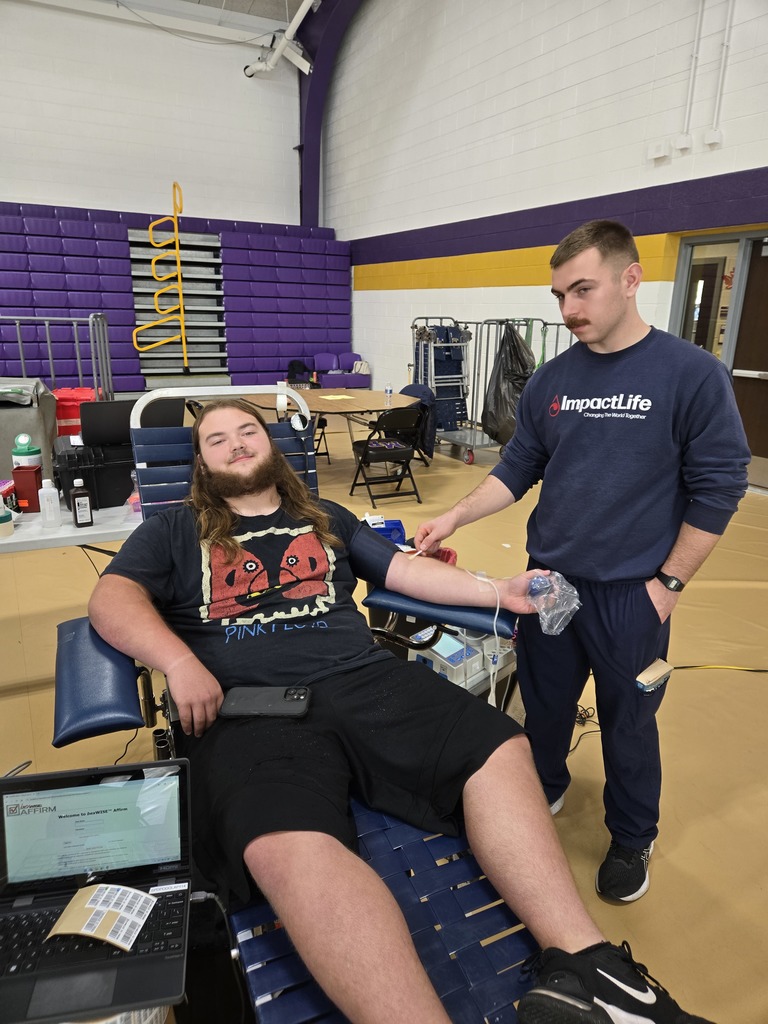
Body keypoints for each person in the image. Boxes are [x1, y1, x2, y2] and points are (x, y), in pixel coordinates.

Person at [88, 398, 715, 1024]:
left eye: (247, 430)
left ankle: (585, 966)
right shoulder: (173, 530)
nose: (236, 443)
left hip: (365, 679)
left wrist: (498, 590)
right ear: (201, 463)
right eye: (217, 439)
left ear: (271, 444)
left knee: (500, 746)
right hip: (251, 707)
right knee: (285, 843)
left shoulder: (324, 516)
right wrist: (178, 661)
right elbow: (111, 599)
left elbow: (404, 573)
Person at [416, 219, 750, 905]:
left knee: (629, 722)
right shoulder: (552, 380)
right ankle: (544, 786)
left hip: (634, 594)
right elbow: (519, 466)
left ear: (631, 279)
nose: (568, 309)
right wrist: (454, 516)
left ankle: (631, 836)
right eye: (559, 295)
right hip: (550, 585)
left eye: (582, 290)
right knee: (544, 704)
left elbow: (720, 488)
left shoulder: (692, 375)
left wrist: (668, 584)